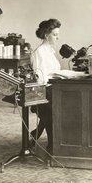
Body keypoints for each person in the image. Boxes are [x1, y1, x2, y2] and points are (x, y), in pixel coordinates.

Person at [29, 18, 62, 154]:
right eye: (54, 35)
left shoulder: (49, 51)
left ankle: (36, 134)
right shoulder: (39, 52)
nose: (57, 37)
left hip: (54, 87)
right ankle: (53, 146)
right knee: (52, 109)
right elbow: (40, 79)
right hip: (44, 90)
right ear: (46, 35)